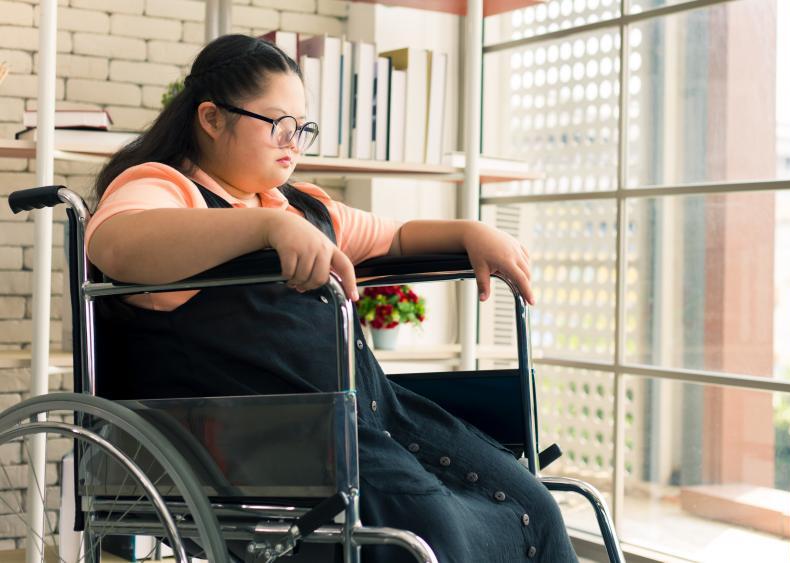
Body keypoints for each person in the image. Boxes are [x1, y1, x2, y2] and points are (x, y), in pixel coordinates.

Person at [85, 34, 579, 563]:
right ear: (211, 118)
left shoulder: (302, 207)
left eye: (302, 128)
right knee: (427, 522)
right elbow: (117, 245)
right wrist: (266, 229)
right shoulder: (165, 186)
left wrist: (470, 232)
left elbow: (396, 236)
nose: (293, 142)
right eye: (278, 124)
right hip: (267, 437)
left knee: (533, 504)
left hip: (374, 416)